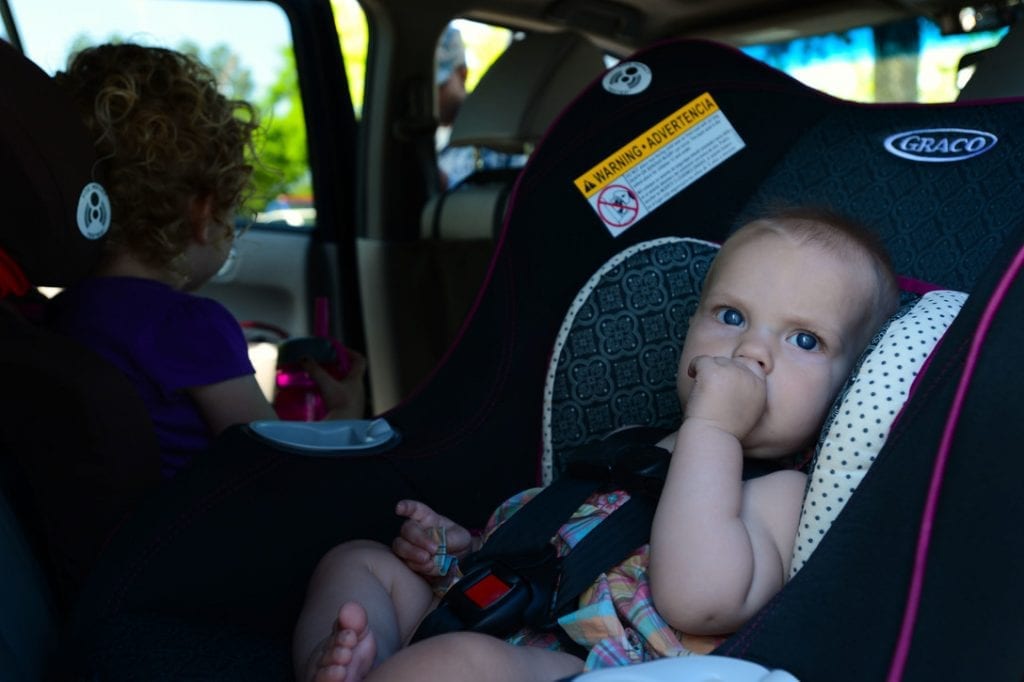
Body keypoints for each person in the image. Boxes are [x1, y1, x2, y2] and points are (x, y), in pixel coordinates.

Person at [293, 206, 901, 682]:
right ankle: (348, 657)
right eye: (732, 317)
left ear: (848, 387)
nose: (751, 351)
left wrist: (713, 432)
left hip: (598, 665)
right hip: (508, 612)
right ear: (691, 330)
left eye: (804, 340)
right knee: (357, 562)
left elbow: (698, 600)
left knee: (460, 664)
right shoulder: (631, 444)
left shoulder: (788, 496)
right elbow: (560, 540)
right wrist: (464, 550)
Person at [48, 43, 366, 478]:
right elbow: (278, 471)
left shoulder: (56, 315)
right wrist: (344, 415)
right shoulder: (189, 326)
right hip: (199, 540)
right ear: (203, 213)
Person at [434, 24, 526, 190]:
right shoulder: (439, 141)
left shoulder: (499, 134)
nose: (431, 95)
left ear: (463, 74)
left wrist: (446, 185)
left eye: (439, 85)